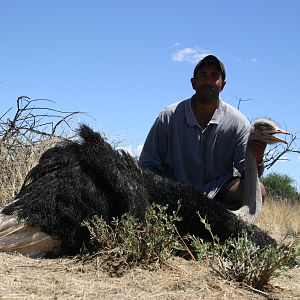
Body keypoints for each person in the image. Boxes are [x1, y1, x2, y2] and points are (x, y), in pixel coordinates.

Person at [139, 54, 266, 209]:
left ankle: (221, 225)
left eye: (214, 76)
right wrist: (165, 191)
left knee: (257, 190)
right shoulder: (169, 116)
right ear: (193, 83)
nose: (208, 81)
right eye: (203, 75)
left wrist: (257, 160)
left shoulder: (238, 122)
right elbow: (147, 165)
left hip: (216, 192)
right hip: (173, 191)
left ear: (223, 84)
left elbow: (250, 174)